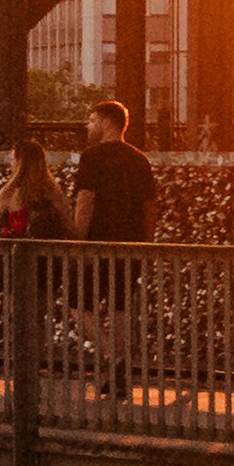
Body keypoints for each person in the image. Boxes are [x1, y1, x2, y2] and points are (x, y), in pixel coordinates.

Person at [72, 93, 162, 391]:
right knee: (120, 307)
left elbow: (86, 201)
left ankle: (113, 357)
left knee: (77, 304)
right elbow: (149, 208)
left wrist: (77, 243)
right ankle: (121, 367)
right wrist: (146, 245)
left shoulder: (92, 157)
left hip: (97, 244)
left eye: (93, 120)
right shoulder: (139, 159)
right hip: (130, 245)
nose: (88, 125)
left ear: (108, 123)